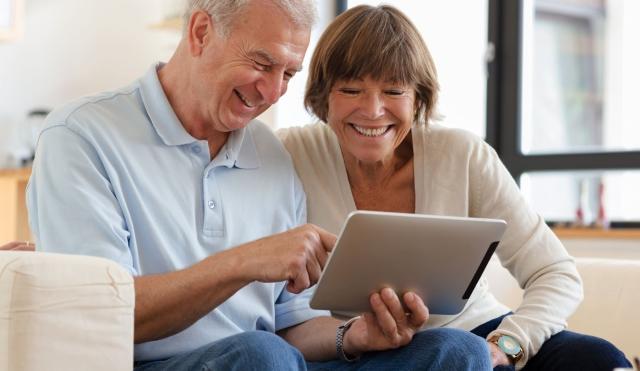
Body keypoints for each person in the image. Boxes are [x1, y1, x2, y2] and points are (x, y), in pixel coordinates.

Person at [26, 1, 492, 370]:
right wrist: (243, 263)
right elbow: (98, 314)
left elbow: (292, 327)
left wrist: (354, 336)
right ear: (201, 32)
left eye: (288, 74)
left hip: (276, 360)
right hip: (159, 363)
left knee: (456, 351)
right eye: (261, 63)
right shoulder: (82, 135)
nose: (272, 93)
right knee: (261, 355)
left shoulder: (269, 154)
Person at [279, 4, 632, 371]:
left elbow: (555, 272)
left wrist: (507, 345)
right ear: (323, 95)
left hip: (475, 331)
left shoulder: (461, 154)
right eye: (351, 90)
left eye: (394, 91)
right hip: (354, 349)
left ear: (418, 98)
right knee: (454, 351)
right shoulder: (288, 155)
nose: (372, 110)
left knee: (597, 358)